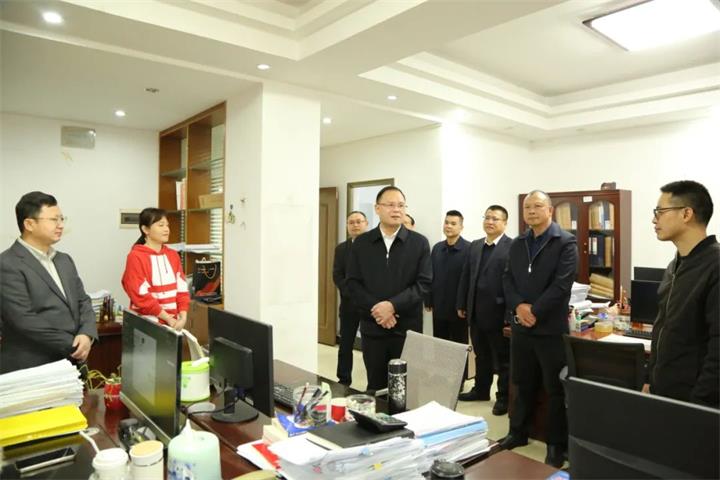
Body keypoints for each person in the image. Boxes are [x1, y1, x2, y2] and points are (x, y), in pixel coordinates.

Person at [501, 190, 578, 468]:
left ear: (550, 210)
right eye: (527, 207)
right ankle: (517, 432)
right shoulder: (518, 243)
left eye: (537, 206)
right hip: (521, 328)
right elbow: (507, 279)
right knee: (521, 383)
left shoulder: (565, 242)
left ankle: (555, 445)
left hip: (550, 329)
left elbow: (562, 285)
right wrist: (519, 307)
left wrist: (534, 311)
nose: (531, 211)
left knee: (554, 389)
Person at [0, 191, 97, 373]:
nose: (60, 225)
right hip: (33, 366)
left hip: (72, 363)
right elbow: (23, 319)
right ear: (29, 224)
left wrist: (86, 334)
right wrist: (73, 345)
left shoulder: (64, 260)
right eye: (53, 220)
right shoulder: (7, 263)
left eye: (61, 219)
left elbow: (83, 301)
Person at [347, 186, 431, 392]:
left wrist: (392, 306)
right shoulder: (362, 243)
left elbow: (423, 283)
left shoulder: (419, 243)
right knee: (376, 386)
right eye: (390, 205)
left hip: (407, 328)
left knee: (406, 388)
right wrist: (378, 310)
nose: (396, 210)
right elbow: (353, 283)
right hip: (373, 326)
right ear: (377, 208)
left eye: (401, 205)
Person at [647, 180, 718, 408]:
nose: (654, 219)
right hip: (664, 393)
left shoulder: (715, 266)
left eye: (660, 211)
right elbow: (662, 328)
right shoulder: (674, 265)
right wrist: (650, 379)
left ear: (686, 213)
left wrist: (700, 402)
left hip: (694, 403)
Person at [456, 205, 512, 416]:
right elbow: (466, 275)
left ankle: (504, 398)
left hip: (499, 313)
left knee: (504, 359)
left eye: (495, 218)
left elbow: (513, 282)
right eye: (487, 217)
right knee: (481, 355)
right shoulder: (476, 245)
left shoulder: (511, 246)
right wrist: (462, 303)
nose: (490, 222)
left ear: (504, 223)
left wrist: (509, 314)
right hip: (475, 312)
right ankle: (481, 390)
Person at [121, 208, 190, 331]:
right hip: (147, 325)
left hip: (173, 324)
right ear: (145, 229)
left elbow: (182, 289)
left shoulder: (173, 255)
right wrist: (167, 318)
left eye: (167, 225)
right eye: (161, 225)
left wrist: (183, 316)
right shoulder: (135, 256)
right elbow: (140, 295)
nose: (166, 229)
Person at [333, 210, 369, 386]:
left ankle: (373, 383)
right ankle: (343, 380)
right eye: (351, 222)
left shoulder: (374, 247)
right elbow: (337, 276)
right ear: (347, 226)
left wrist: (366, 297)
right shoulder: (341, 249)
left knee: (370, 347)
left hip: (370, 306)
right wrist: (353, 294)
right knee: (345, 345)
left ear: (366, 224)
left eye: (359, 222)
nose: (355, 225)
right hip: (348, 305)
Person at [428, 210, 470, 344]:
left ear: (461, 227)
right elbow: (430, 275)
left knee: (459, 346)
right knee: (440, 344)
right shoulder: (437, 248)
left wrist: (464, 305)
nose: (448, 226)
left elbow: (469, 281)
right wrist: (428, 299)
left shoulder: (469, 249)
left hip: (458, 309)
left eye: (453, 223)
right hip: (439, 306)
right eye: (446, 222)